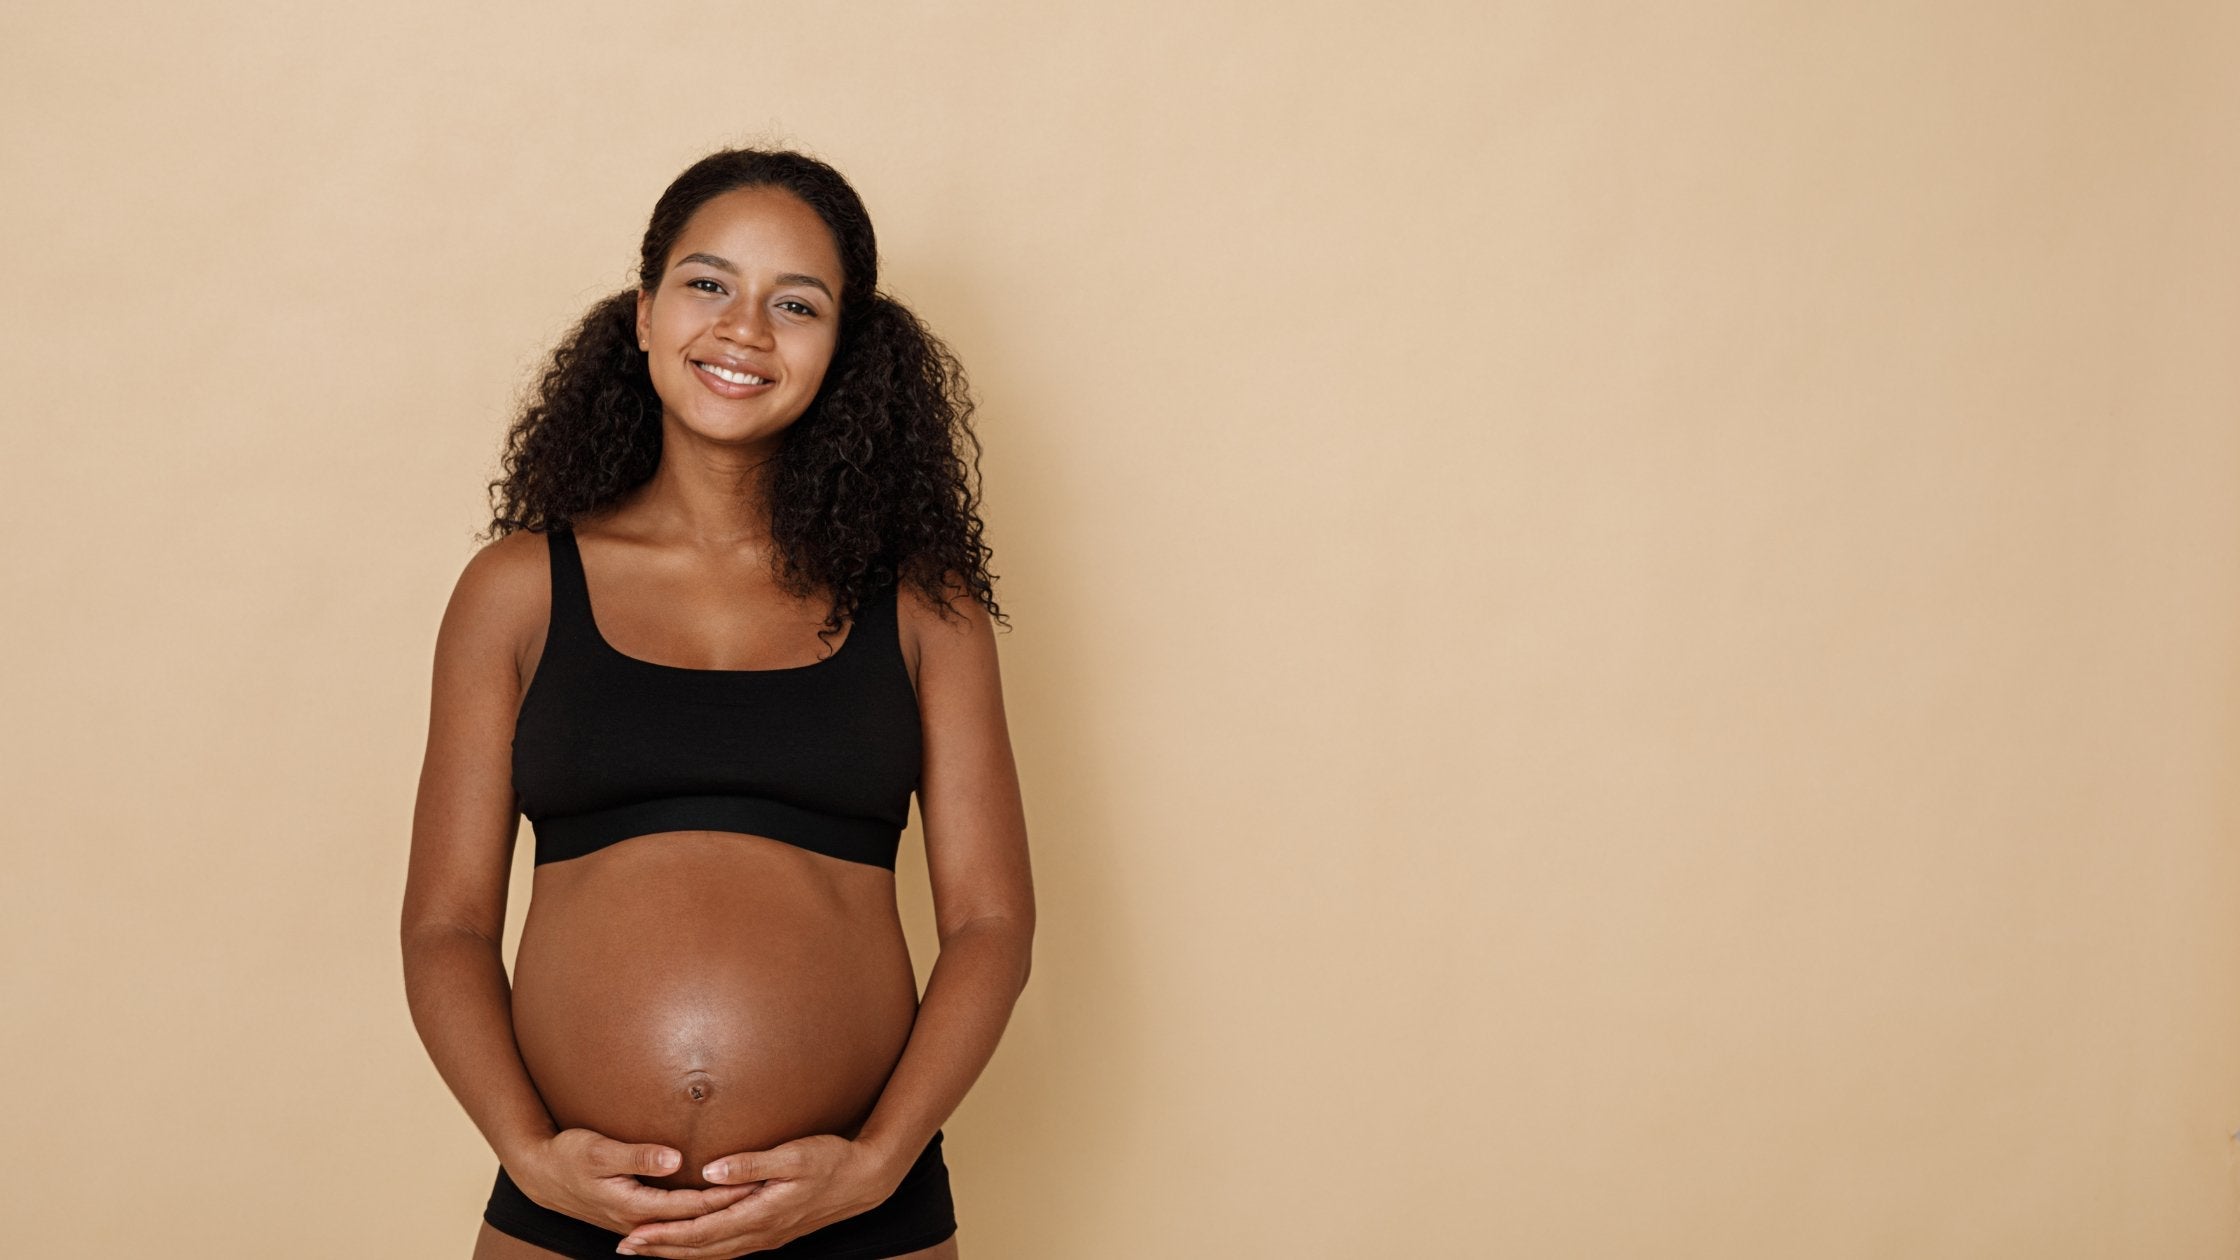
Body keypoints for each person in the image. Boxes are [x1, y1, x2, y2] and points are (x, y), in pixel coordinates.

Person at [401, 146, 1034, 1260]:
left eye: (796, 303)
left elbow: (991, 923)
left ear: (843, 351)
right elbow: (446, 928)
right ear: (641, 314)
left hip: (854, 1210)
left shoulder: (924, 609)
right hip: (574, 1212)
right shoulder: (515, 592)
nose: (744, 329)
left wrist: (876, 1164)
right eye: (707, 283)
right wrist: (530, 1155)